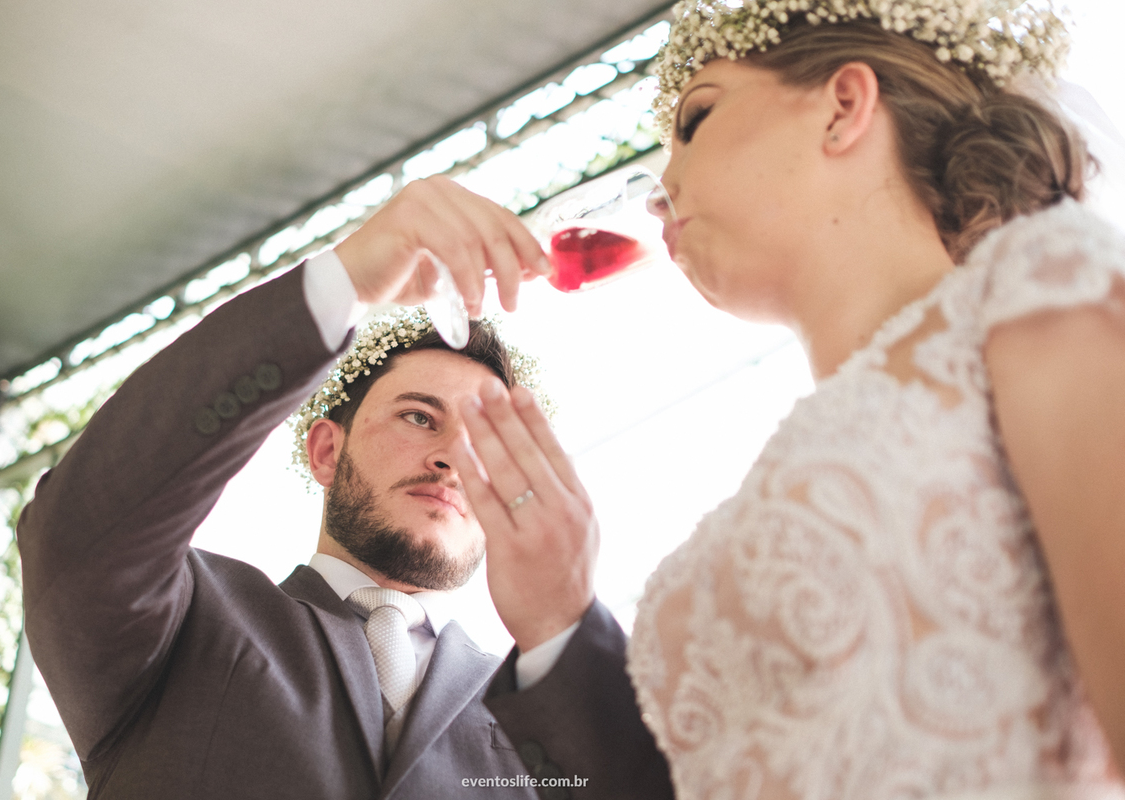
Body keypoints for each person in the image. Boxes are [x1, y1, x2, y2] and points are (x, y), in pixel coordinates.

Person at [456, 1, 1125, 798]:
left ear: (844, 106)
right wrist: (559, 620)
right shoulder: (775, 472)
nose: (662, 187)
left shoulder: (1039, 283)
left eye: (696, 119)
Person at [15, 176, 622, 798]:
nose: (451, 459)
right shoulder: (179, 625)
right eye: (419, 416)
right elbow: (80, 532)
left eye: (482, 441)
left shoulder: (540, 714)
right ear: (326, 449)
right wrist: (345, 282)